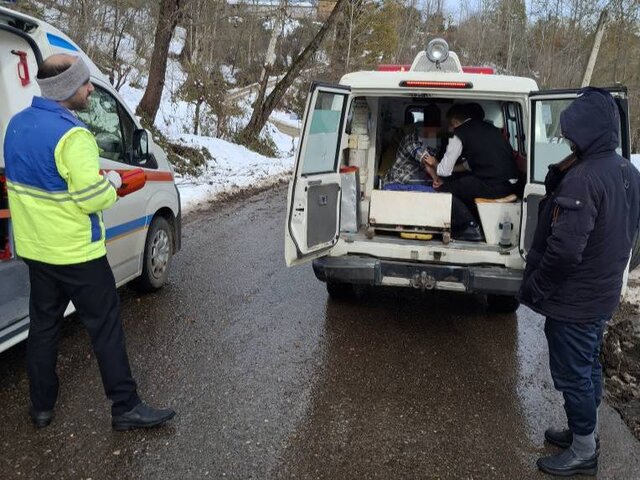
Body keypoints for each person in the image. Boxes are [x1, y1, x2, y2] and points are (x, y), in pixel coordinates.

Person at [3, 54, 175, 431]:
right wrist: (112, 185)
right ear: (67, 90)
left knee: (44, 327)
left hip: (36, 251)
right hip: (78, 254)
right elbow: (90, 197)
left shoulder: (15, 126)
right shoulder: (73, 136)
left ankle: (41, 408)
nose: (90, 89)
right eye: (85, 84)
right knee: (106, 327)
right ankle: (125, 406)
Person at [518, 87, 640, 477]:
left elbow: (565, 252)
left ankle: (584, 450)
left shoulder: (583, 179)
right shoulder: (627, 171)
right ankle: (583, 431)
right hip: (601, 292)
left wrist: (536, 289)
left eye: (572, 133)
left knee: (573, 373)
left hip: (576, 299)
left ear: (587, 131)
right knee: (587, 367)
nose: (568, 140)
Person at [422, 104, 519, 241]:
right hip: (512, 184)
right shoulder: (490, 128)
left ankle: (470, 227)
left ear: (454, 122)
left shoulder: (458, 134)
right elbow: (471, 164)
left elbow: (444, 171)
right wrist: (454, 170)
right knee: (463, 183)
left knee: (443, 191)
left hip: (493, 186)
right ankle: (475, 221)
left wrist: (434, 163)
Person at [383, 104, 442, 186]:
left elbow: (430, 161)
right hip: (400, 176)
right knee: (429, 183)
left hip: (416, 173)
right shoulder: (411, 138)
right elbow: (426, 160)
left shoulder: (432, 139)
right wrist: (436, 178)